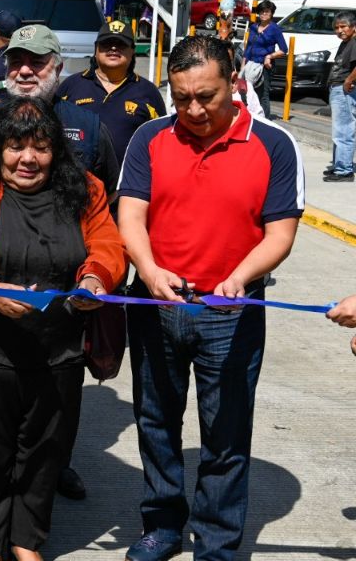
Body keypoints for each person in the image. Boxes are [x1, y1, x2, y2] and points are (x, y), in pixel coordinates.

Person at [117, 35, 303, 561]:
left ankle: (217, 541)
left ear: (234, 83)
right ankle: (162, 524)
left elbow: (279, 234)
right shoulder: (150, 137)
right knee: (155, 420)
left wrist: (240, 278)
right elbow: (131, 214)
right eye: (182, 98)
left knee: (225, 429)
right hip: (156, 303)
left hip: (232, 311)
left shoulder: (273, 144)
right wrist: (149, 272)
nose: (194, 110)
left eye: (207, 96)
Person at [0, 95, 126, 561]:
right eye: (16, 147)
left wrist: (95, 276)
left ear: (55, 151)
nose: (28, 159)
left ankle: (26, 541)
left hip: (58, 351)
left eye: (40, 148)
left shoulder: (86, 188)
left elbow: (108, 243)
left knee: (45, 452)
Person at [0, 24, 119, 195]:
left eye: (37, 62)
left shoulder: (87, 127)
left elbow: (108, 194)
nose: (24, 70)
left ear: (58, 69)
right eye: (16, 62)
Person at [56, 20, 165, 167]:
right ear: (96, 49)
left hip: (127, 185)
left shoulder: (148, 92)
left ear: (132, 51)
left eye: (121, 44)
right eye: (106, 43)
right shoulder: (71, 86)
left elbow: (161, 143)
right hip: (76, 183)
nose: (113, 48)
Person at [241, 0, 288, 119]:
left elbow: (284, 49)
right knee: (247, 91)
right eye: (261, 12)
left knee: (263, 95)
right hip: (250, 64)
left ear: (271, 13)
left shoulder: (274, 29)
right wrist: (243, 65)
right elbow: (248, 48)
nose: (264, 14)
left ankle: (265, 120)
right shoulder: (253, 27)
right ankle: (249, 117)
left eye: (267, 12)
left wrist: (269, 56)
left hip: (265, 66)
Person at [324, 11, 356, 181]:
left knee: (343, 131)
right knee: (339, 131)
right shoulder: (347, 42)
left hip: (345, 90)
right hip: (338, 89)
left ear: (353, 27)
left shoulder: (354, 42)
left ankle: (344, 170)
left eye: (343, 26)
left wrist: (348, 81)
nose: (339, 30)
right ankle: (339, 165)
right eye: (336, 27)